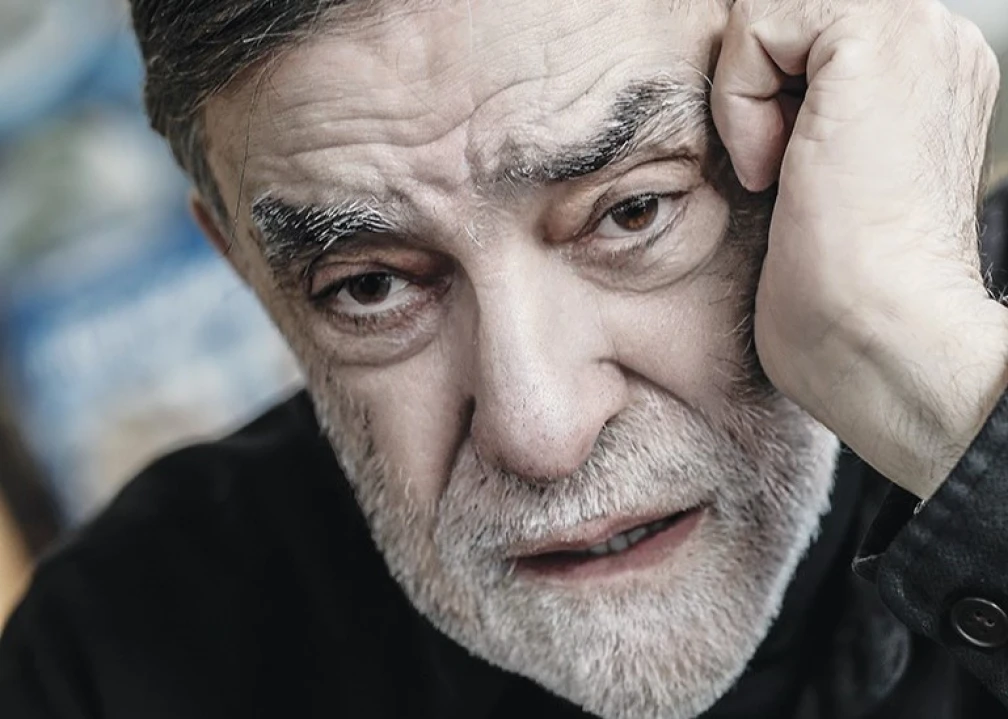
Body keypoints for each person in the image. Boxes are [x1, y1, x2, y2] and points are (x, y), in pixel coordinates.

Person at [2, 0, 1008, 717]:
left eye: (633, 210)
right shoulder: (108, 663)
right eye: (370, 284)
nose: (543, 432)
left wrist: (944, 397)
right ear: (248, 271)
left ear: (804, 108)